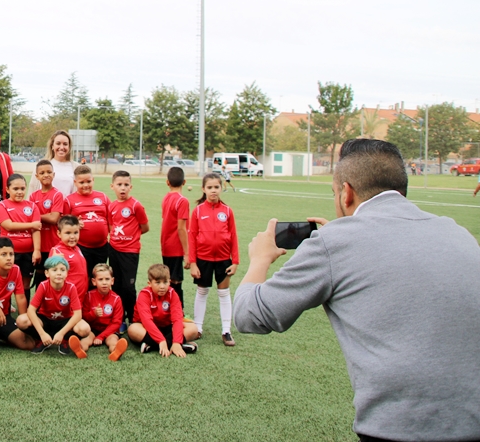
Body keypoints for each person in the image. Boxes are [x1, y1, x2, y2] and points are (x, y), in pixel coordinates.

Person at [234, 139, 480, 442]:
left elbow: (248, 316)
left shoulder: (333, 242)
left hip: (399, 430)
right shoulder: (458, 232)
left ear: (346, 192)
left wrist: (259, 260)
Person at [188, 172, 238, 346]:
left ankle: (226, 331)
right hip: (203, 259)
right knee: (202, 292)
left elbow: (233, 236)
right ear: (203, 189)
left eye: (216, 187)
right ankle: (197, 328)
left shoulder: (227, 211)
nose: (213, 191)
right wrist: (193, 263)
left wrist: (235, 261)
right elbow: (192, 237)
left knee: (224, 294)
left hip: (224, 259)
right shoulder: (198, 211)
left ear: (221, 188)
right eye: (209, 187)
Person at [128, 264, 198, 357]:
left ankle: (155, 345)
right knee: (132, 329)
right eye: (157, 282)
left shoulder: (173, 294)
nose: (162, 286)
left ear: (169, 282)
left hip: (167, 328)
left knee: (193, 329)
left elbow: (177, 319)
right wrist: (161, 340)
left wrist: (176, 341)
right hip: (147, 328)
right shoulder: (144, 295)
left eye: (165, 282)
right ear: (150, 283)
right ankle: (174, 345)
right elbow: (147, 321)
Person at [108, 170, 149, 327]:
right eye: (119, 185)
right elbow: (112, 227)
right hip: (114, 250)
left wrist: (132, 238)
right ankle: (119, 318)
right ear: (113, 186)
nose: (122, 188)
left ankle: (133, 318)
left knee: (128, 286)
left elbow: (144, 227)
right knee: (116, 284)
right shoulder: (111, 206)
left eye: (126, 185)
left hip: (130, 252)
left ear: (130, 187)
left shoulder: (136, 205)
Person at [27, 255, 90, 357]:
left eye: (62, 270)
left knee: (84, 328)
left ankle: (65, 339)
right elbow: (31, 310)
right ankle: (41, 339)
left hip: (64, 320)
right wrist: (42, 333)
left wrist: (62, 333)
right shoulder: (43, 286)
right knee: (22, 320)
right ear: (47, 273)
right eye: (54, 270)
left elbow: (78, 314)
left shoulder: (71, 287)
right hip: (46, 320)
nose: (59, 273)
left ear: (66, 273)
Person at [0, 174, 42, 291]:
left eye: (22, 188)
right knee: (7, 283)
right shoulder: (2, 205)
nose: (19, 192)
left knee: (25, 284)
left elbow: (36, 231)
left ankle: (24, 309)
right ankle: (6, 308)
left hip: (28, 252)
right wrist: (31, 225)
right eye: (15, 189)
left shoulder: (32, 206)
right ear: (7, 189)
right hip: (9, 253)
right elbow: (9, 226)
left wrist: (36, 250)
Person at [65, 164, 110, 283]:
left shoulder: (103, 197)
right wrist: (74, 224)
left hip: (102, 247)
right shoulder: (69, 200)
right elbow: (63, 223)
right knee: (84, 278)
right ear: (75, 182)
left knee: (99, 278)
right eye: (81, 182)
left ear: (93, 180)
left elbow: (111, 219)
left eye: (88, 181)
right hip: (81, 247)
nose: (85, 185)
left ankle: (96, 301)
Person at [76, 263, 129, 361]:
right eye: (100, 280)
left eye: (107, 279)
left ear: (112, 281)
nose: (104, 283)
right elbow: (84, 316)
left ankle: (116, 351)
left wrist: (101, 337)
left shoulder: (116, 299)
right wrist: (93, 314)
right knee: (87, 340)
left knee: (112, 340)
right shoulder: (89, 296)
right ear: (94, 281)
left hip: (110, 330)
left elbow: (116, 322)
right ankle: (80, 350)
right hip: (93, 329)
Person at [29, 159, 65, 287]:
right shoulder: (33, 196)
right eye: (42, 173)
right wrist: (43, 216)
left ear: (54, 174)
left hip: (53, 244)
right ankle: (38, 306)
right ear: (37, 176)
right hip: (38, 245)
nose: (46, 175)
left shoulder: (57, 195)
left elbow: (54, 218)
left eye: (49, 172)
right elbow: (31, 220)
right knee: (39, 276)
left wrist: (37, 216)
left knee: (53, 275)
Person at [160, 166, 190, 308]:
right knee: (176, 281)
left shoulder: (166, 198)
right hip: (176, 247)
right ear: (184, 182)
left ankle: (169, 309)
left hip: (165, 245)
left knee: (170, 280)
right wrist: (187, 252)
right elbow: (181, 228)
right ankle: (178, 312)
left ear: (167, 182)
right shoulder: (182, 201)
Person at [30, 130, 80, 196]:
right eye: (58, 143)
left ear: (69, 147)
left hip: (66, 206)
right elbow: (32, 191)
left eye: (65, 144)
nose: (61, 147)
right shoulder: (41, 166)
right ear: (52, 146)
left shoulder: (77, 168)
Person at [49, 215, 88, 294]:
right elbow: (53, 277)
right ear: (59, 234)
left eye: (76, 232)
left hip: (81, 295)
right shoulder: (56, 251)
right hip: (67, 297)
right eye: (68, 233)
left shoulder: (77, 249)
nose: (72, 236)